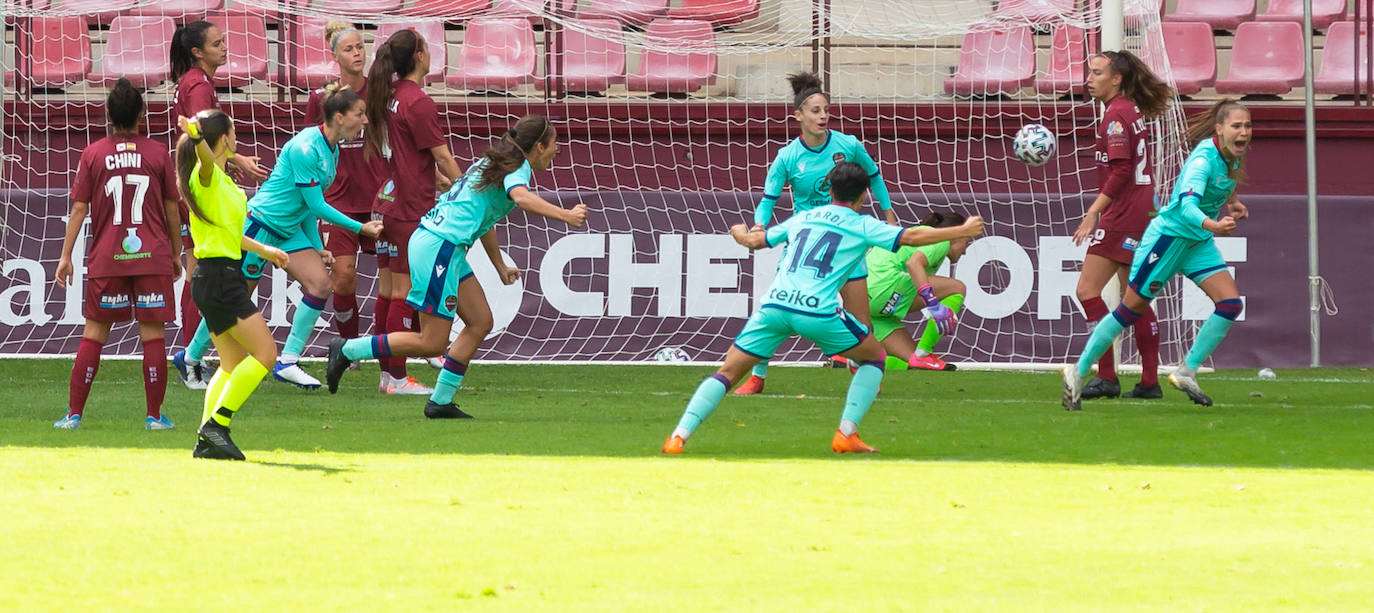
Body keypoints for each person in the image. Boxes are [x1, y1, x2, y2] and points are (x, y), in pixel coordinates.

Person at [663, 162, 983, 455]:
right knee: (874, 356)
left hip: (775, 305)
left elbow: (754, 242)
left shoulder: (804, 217)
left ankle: (678, 436)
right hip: (816, 311)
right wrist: (963, 230)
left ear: (830, 190)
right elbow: (912, 237)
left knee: (727, 373)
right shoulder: (861, 225)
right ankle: (846, 433)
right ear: (863, 195)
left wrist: (738, 233)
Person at [326, 115, 589, 419]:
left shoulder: (493, 165)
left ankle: (440, 401)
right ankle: (347, 350)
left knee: (480, 321)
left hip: (442, 246)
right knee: (431, 342)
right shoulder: (516, 169)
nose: (557, 151)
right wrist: (566, 216)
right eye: (554, 145)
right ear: (539, 145)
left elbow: (484, 218)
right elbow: (521, 198)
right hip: (439, 248)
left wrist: (499, 263)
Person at [177, 86, 383, 389]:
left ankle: (287, 361)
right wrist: (360, 228)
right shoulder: (305, 148)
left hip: (288, 230)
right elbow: (316, 205)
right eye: (360, 114)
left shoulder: (331, 149)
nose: (365, 121)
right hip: (261, 225)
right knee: (236, 299)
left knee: (320, 284)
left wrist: (316, 246)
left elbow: (306, 205)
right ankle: (191, 357)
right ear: (339, 117)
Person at [1063, 99, 1252, 411]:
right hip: (1167, 240)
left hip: (1196, 243)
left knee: (1230, 304)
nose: (1243, 131)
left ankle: (1186, 371)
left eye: (1247, 126)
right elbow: (1187, 206)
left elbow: (1223, 179)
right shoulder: (1202, 161)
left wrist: (1233, 201)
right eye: (1236, 126)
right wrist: (1214, 224)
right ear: (1219, 129)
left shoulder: (1229, 154)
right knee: (1129, 311)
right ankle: (1078, 372)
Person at [734, 71, 900, 396]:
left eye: (826, 109)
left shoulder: (847, 145)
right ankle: (756, 377)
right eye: (815, 110)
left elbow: (874, 176)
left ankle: (863, 374)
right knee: (773, 313)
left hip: (848, 243)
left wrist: (888, 213)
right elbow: (768, 199)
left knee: (861, 319)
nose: (823, 116)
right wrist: (758, 226)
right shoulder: (788, 157)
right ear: (798, 116)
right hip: (806, 244)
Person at [52, 79, 183, 431]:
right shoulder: (157, 154)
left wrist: (65, 256)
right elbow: (173, 209)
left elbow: (79, 210)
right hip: (151, 255)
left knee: (94, 333)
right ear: (143, 113)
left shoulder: (93, 154)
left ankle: (74, 415)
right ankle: (154, 417)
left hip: (108, 256)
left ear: (108, 114)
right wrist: (175, 252)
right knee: (152, 334)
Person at [176, 109, 290, 460]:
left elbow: (230, 234)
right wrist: (197, 138)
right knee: (266, 354)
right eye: (233, 131)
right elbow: (206, 163)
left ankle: (205, 436)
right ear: (224, 139)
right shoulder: (205, 174)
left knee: (230, 364)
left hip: (216, 277)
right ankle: (217, 427)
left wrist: (265, 250)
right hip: (219, 279)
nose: (237, 136)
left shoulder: (224, 183)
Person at [362, 27, 466, 395]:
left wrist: (433, 177)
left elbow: (411, 153)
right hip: (409, 208)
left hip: (387, 200)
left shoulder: (388, 95)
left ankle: (387, 374)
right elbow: (440, 154)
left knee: (388, 290)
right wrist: (466, 188)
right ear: (420, 55)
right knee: (405, 291)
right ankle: (396, 377)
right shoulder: (418, 101)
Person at [169, 20, 268, 390]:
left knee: (205, 271)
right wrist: (236, 160)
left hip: (204, 186)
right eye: (216, 43)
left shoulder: (200, 82)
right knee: (201, 272)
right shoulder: (196, 86)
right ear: (197, 51)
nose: (224, 48)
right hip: (199, 192)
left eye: (224, 41)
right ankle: (189, 359)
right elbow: (198, 138)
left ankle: (195, 356)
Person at [1072, 49, 1173, 401]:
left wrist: (1093, 212)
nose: (1089, 78)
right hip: (1140, 211)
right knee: (1136, 298)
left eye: (1097, 72)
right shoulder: (1130, 111)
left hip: (1124, 214)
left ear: (1117, 78)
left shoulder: (1116, 116)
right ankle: (1148, 381)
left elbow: (1119, 172)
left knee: (1087, 290)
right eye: (1089, 72)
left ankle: (1108, 376)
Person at [306, 21, 390, 368]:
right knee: (342, 275)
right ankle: (350, 347)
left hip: (380, 197)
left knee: (398, 279)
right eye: (349, 49)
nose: (357, 53)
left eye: (360, 47)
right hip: (338, 200)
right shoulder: (321, 98)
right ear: (334, 55)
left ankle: (401, 345)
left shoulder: (381, 93)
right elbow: (310, 145)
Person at [859, 210, 972, 372]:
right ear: (956, 236)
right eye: (965, 243)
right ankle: (925, 352)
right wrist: (933, 305)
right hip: (883, 288)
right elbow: (914, 264)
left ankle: (848, 361)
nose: (965, 250)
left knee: (913, 361)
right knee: (957, 288)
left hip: (863, 301)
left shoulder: (920, 235)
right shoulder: (939, 239)